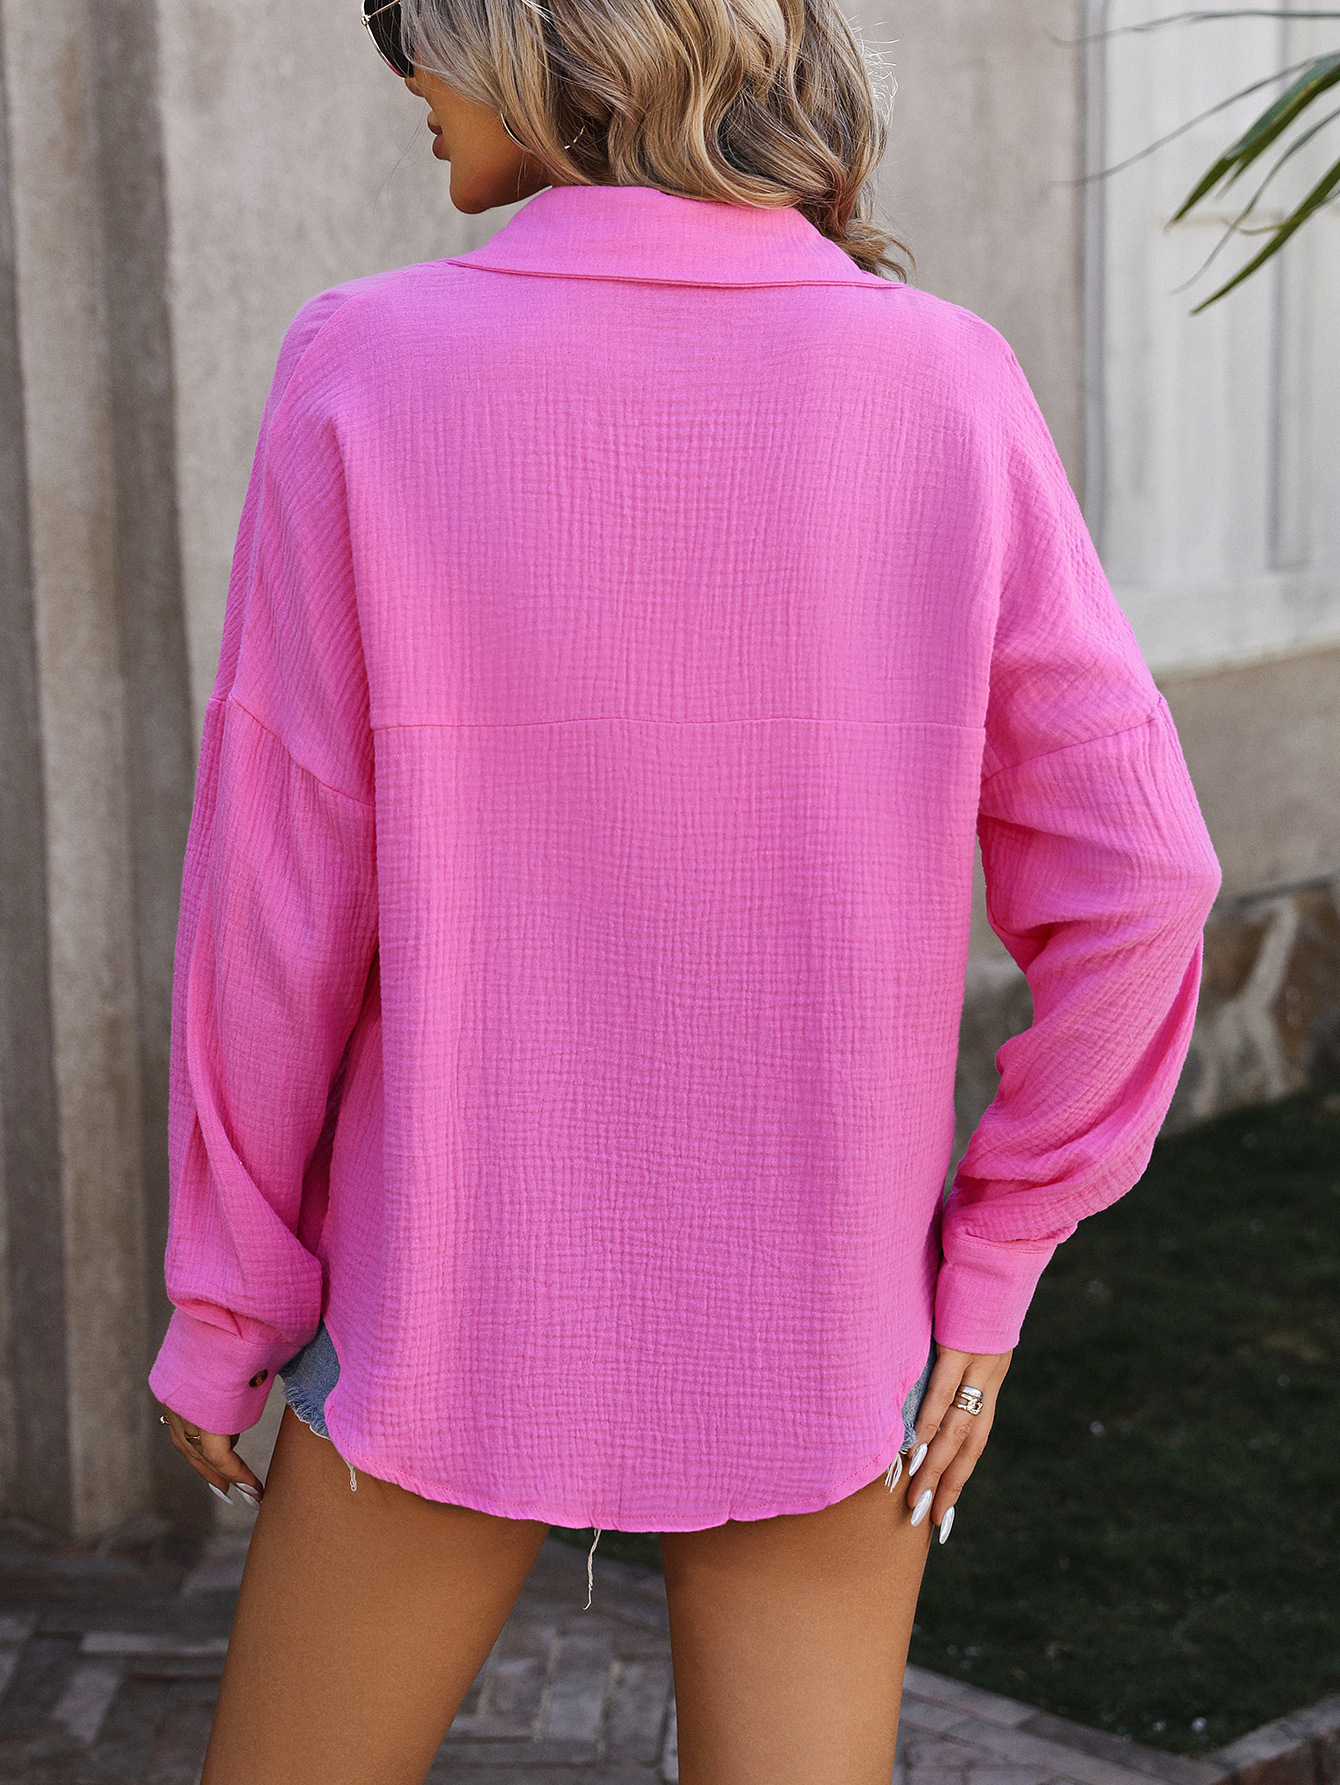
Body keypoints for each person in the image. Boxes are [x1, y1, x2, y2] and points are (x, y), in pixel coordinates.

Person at [149, 1, 1223, 1780]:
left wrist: (230, 1303)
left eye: (414, 23)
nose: (399, 66)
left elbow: (279, 893)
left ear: (543, 38)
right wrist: (994, 1255)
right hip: (831, 1327)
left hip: (449, 1305)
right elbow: (1145, 875)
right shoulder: (945, 382)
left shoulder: (366, 364)